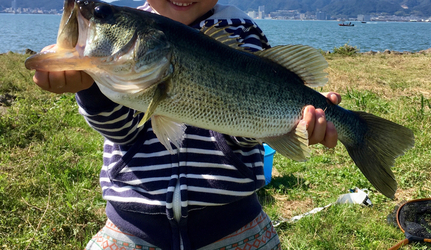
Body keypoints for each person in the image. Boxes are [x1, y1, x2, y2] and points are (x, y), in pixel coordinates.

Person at [33, 0, 342, 249]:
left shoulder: (243, 33)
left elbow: (244, 133)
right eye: (101, 14)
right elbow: (122, 132)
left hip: (234, 224)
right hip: (133, 227)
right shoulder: (135, 29)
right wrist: (88, 85)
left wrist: (288, 125)